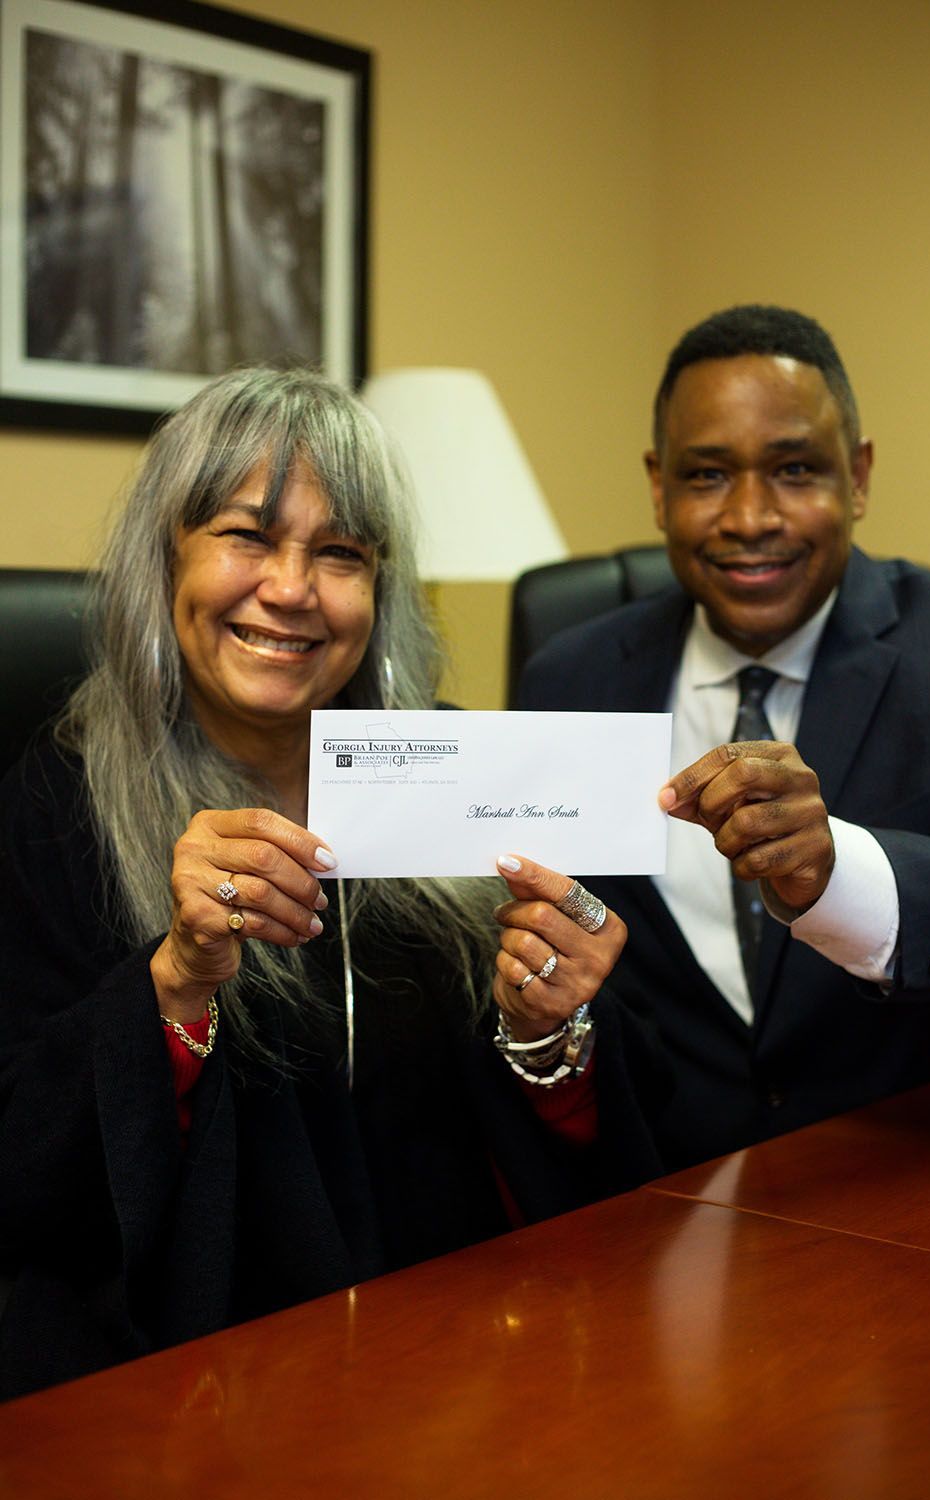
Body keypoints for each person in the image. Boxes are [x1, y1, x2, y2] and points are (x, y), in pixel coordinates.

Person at [0, 367, 665, 1400]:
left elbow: (592, 1144)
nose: (293, 589)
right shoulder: (57, 803)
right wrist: (175, 983)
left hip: (471, 1357)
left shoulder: (454, 768)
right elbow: (22, 1169)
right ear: (163, 559)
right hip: (202, 1386)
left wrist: (549, 1034)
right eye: (245, 536)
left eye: (340, 554)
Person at [520, 303, 930, 1166]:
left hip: (912, 1194)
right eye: (707, 476)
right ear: (658, 485)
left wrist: (835, 872)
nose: (749, 517)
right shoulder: (571, 679)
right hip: (659, 1209)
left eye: (793, 469)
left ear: (857, 476)